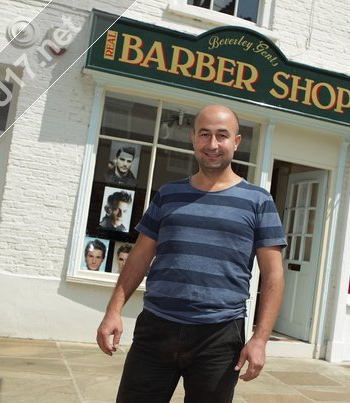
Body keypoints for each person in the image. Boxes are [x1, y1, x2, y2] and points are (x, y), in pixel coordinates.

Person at [96, 105, 286, 402]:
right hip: (156, 329)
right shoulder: (169, 195)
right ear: (193, 138)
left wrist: (260, 339)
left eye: (222, 136)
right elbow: (140, 257)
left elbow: (273, 274)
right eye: (205, 134)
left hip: (219, 336)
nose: (212, 144)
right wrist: (113, 312)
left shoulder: (258, 201)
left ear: (236, 142)